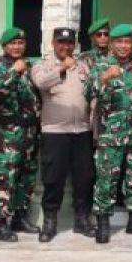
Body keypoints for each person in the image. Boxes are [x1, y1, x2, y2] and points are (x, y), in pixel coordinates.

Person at [86, 23, 132, 242]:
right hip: (110, 134)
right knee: (106, 179)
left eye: (128, 42)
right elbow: (87, 92)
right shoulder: (101, 65)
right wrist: (104, 78)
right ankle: (103, 223)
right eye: (119, 42)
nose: (124, 46)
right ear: (113, 44)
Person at [30, 27, 94, 242]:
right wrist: (61, 69)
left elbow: (91, 93)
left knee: (84, 178)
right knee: (53, 179)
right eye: (61, 42)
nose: (65, 46)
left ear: (75, 44)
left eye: (69, 42)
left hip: (82, 131)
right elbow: (40, 83)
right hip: (55, 132)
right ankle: (49, 222)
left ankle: (82, 219)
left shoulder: (83, 67)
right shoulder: (42, 66)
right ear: (53, 43)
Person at [0, 27, 41, 242]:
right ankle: (0, 223)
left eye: (20, 43)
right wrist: (14, 72)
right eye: (12, 44)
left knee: (26, 177)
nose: (17, 47)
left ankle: (19, 216)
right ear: (4, 46)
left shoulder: (29, 67)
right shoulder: (0, 67)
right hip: (8, 132)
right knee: (5, 177)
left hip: (29, 131)